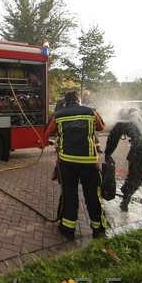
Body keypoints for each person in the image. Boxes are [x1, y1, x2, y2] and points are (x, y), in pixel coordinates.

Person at [44, 90, 107, 240]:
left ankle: (68, 229)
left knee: (69, 194)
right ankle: (98, 229)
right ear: (79, 99)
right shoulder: (91, 112)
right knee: (92, 195)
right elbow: (101, 128)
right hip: (89, 163)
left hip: (67, 163)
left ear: (66, 101)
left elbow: (47, 132)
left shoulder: (59, 114)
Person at [104, 108, 142, 222]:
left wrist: (107, 154)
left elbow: (113, 138)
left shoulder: (125, 120)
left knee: (134, 179)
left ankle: (125, 203)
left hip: (138, 152)